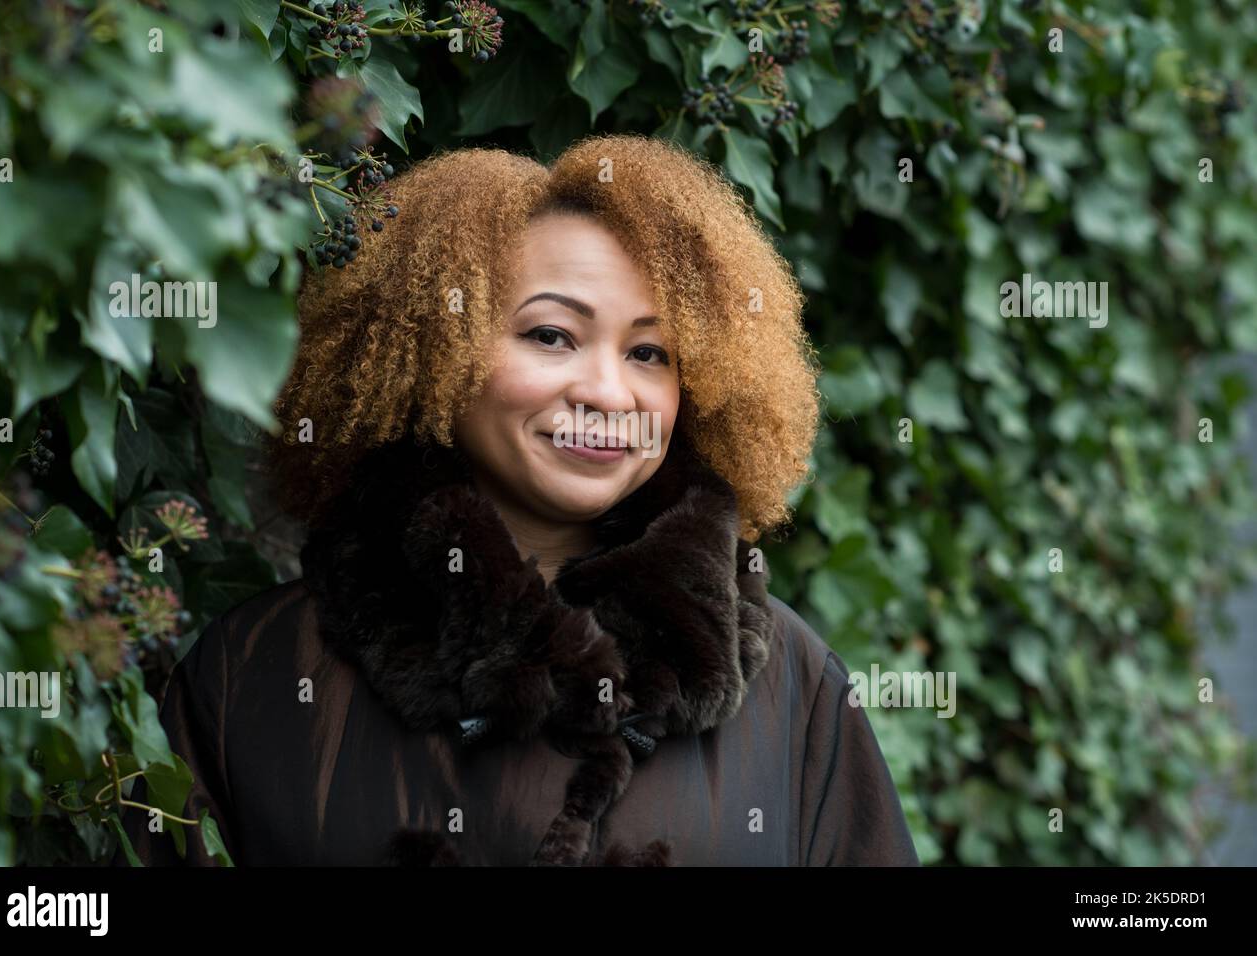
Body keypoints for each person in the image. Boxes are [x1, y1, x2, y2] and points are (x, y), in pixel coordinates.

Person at [118, 134, 919, 866]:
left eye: (649, 352)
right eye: (550, 335)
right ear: (433, 351)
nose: (609, 391)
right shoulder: (252, 673)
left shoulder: (796, 688)